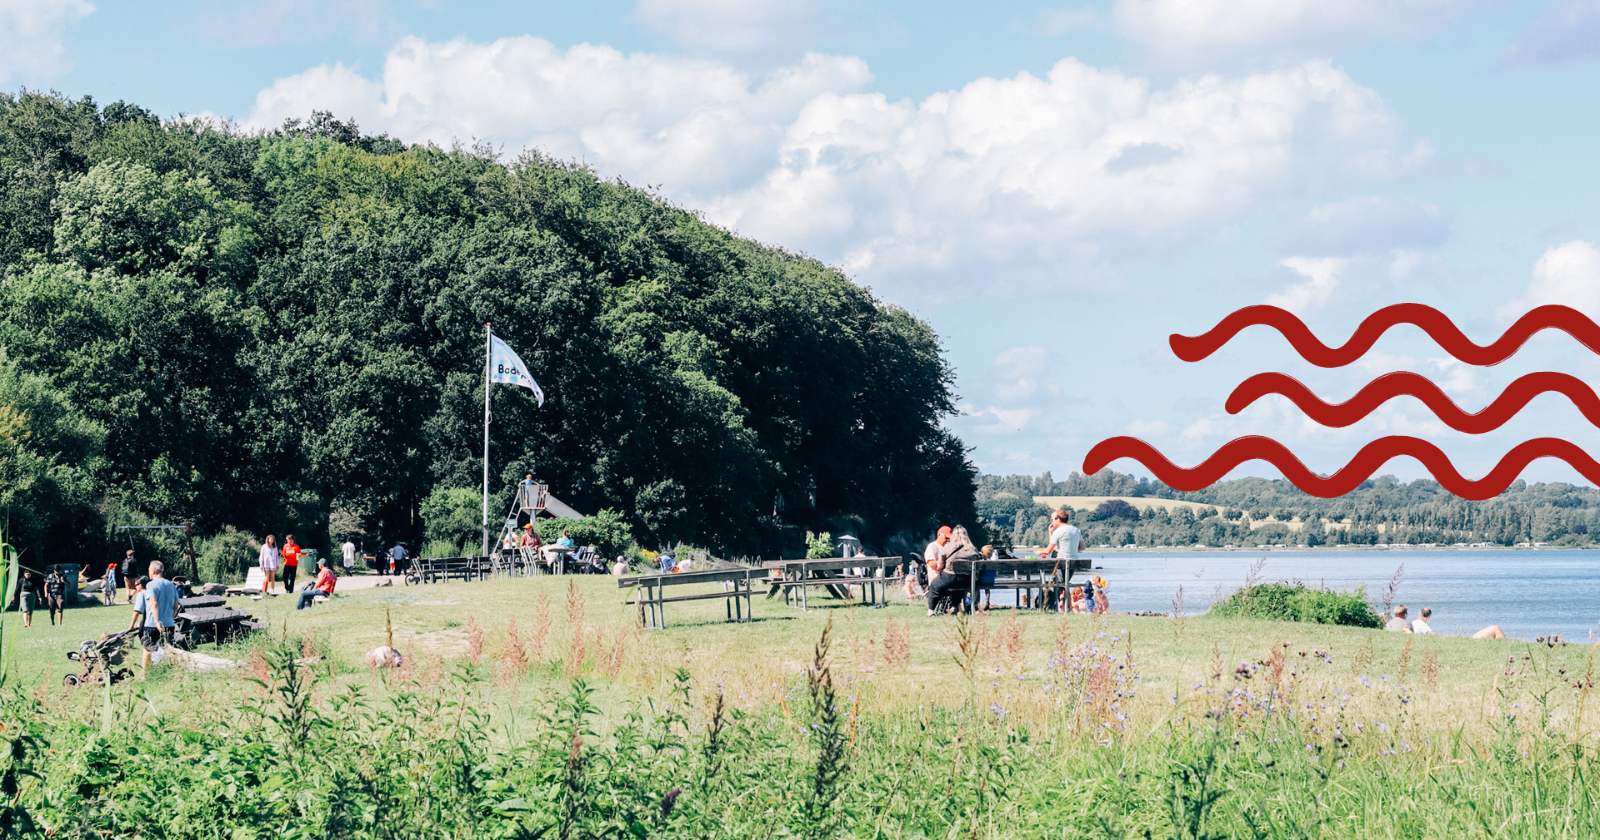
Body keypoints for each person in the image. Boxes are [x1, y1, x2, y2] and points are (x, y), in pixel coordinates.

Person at [131, 561, 179, 672]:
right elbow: (176, 605)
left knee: (148, 650)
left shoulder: (151, 585)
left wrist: (157, 621)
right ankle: (172, 672)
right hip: (169, 624)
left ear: (153, 570)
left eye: (149, 569)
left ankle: (145, 675)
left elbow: (153, 603)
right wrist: (172, 617)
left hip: (152, 624)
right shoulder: (172, 584)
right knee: (169, 650)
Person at [928, 526, 980, 616]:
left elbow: (940, 566)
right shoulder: (973, 549)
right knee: (959, 586)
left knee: (934, 586)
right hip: (966, 580)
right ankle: (954, 607)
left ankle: (931, 610)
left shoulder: (948, 547)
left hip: (949, 577)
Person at [1043, 510, 1082, 610]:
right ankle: (1067, 606)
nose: (1051, 522)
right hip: (1073, 562)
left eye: (1052, 519)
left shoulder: (1059, 531)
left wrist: (1050, 534)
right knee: (1065, 583)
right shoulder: (1076, 530)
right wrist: (1072, 549)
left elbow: (1053, 549)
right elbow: (1082, 547)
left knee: (1060, 583)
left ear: (1058, 519)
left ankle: (1061, 602)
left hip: (1060, 561)